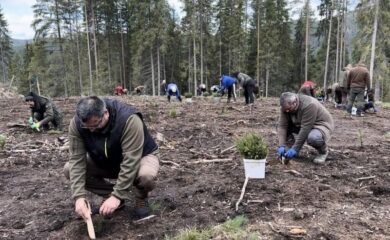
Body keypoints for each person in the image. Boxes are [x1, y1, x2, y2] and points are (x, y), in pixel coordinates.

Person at [63, 96, 159, 220]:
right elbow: (76, 160)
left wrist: (117, 196)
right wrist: (79, 197)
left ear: (106, 113)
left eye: (96, 125)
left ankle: (140, 197)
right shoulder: (77, 124)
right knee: (69, 169)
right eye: (88, 127)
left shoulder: (128, 120)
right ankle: (109, 194)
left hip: (140, 157)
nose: (92, 130)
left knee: (146, 176)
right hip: (105, 159)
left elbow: (131, 161)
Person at [277, 92, 334, 164]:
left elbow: (305, 129)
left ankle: (323, 152)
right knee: (279, 127)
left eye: (288, 109)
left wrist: (295, 149)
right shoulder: (285, 107)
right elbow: (282, 126)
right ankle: (288, 148)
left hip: (320, 125)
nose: (287, 111)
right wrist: (281, 145)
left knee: (313, 138)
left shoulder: (309, 105)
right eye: (285, 110)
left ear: (294, 102)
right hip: (301, 123)